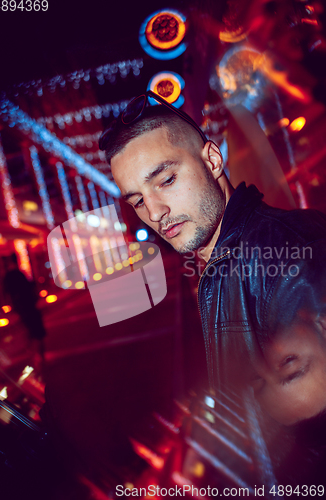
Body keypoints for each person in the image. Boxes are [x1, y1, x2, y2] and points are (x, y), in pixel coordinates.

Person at [99, 91, 326, 427]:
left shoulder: (291, 258)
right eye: (138, 201)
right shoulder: (222, 262)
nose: (156, 212)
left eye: (167, 180)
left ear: (213, 160)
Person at [3, 253, 46, 369]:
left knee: (29, 333)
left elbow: (7, 294)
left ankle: (35, 358)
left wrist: (13, 308)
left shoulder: (9, 276)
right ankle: (39, 358)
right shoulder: (20, 274)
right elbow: (29, 289)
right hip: (29, 306)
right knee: (36, 333)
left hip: (22, 308)